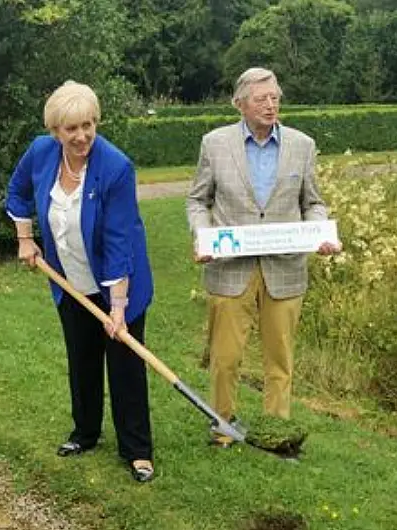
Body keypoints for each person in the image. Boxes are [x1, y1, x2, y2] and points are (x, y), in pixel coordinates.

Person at [5, 81, 156, 482]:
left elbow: (120, 241)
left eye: (89, 125)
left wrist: (118, 308)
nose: (82, 135)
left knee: (125, 365)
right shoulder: (41, 153)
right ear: (56, 131)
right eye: (71, 128)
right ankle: (85, 433)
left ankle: (137, 450)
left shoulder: (115, 167)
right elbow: (17, 192)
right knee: (82, 359)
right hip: (69, 280)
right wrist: (25, 239)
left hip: (120, 282)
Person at [186, 67, 342, 446]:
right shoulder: (214, 143)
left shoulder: (302, 145)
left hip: (285, 269)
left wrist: (318, 232)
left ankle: (276, 430)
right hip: (229, 269)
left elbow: (313, 202)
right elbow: (197, 200)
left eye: (275, 98)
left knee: (280, 359)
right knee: (225, 357)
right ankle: (222, 426)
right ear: (240, 104)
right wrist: (203, 235)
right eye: (262, 99)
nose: (271, 105)